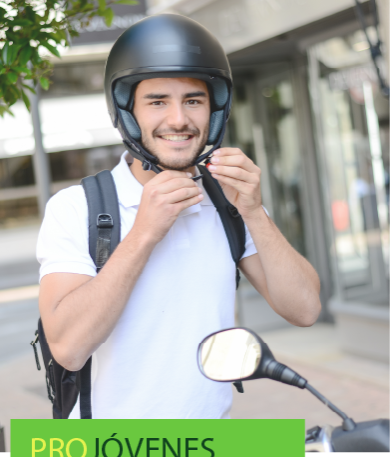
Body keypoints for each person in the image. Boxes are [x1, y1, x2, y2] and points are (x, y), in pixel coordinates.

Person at [37, 14, 321, 419]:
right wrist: (143, 234)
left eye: (193, 100)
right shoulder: (77, 207)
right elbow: (67, 348)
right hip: (108, 453)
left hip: (209, 450)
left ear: (215, 110)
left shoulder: (229, 203)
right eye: (157, 101)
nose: (178, 120)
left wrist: (255, 211)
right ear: (128, 111)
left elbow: (306, 309)